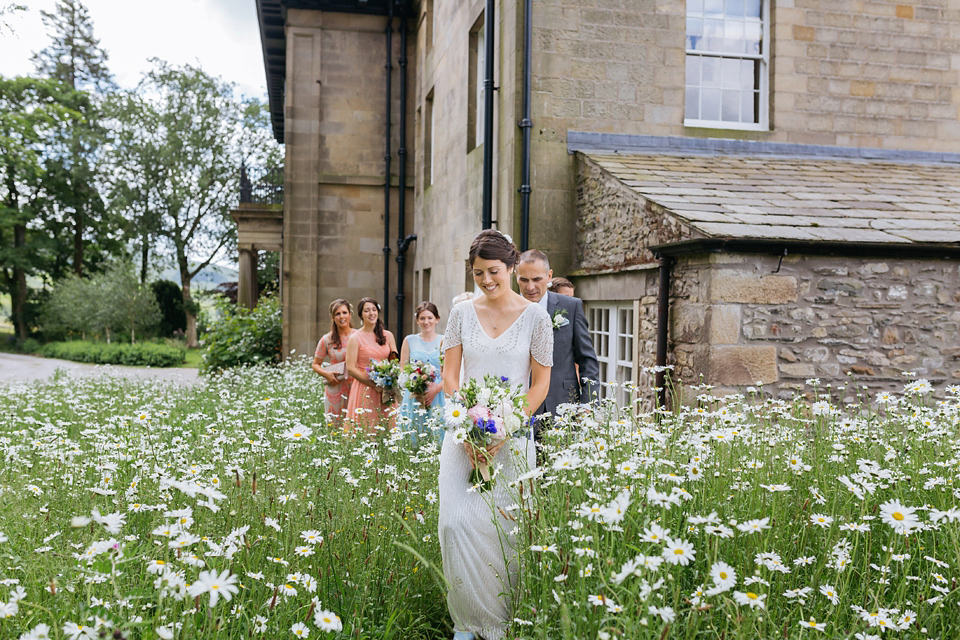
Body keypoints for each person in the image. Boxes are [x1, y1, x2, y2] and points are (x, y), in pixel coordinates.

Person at [440, 230, 553, 640]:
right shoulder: (461, 314)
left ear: (510, 267)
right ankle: (467, 624)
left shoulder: (536, 318)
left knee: (503, 532)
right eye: (478, 273)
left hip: (512, 439)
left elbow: (539, 385)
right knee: (455, 525)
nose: (486, 280)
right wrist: (466, 427)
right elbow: (451, 375)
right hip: (462, 437)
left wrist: (508, 427)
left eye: (493, 271)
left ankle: (502, 624)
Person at [516, 250, 599, 418]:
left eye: (537, 279)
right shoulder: (506, 309)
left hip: (562, 406)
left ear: (549, 276)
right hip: (517, 407)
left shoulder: (571, 306)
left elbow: (587, 360)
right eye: (524, 280)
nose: (530, 287)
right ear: (515, 276)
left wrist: (587, 404)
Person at [345, 297, 398, 432]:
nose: (371, 313)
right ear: (361, 315)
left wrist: (391, 380)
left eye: (374, 310)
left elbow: (395, 361)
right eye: (367, 311)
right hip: (365, 388)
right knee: (366, 427)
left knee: (387, 428)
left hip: (386, 389)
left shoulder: (388, 335)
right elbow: (350, 368)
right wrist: (373, 384)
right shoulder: (355, 338)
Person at [398, 301, 445, 446]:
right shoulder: (409, 340)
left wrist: (434, 390)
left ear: (437, 319)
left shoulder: (443, 340)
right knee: (414, 433)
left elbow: (447, 372)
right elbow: (403, 370)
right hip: (414, 394)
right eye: (422, 318)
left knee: (436, 436)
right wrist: (415, 387)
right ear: (417, 320)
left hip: (437, 394)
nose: (426, 322)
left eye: (430, 318)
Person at [312, 299, 357, 427]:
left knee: (355, 426)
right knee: (335, 427)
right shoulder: (327, 339)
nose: (342, 316)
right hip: (335, 386)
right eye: (338, 314)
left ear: (350, 314)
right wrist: (326, 374)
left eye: (344, 312)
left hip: (355, 386)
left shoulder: (358, 335)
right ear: (333, 317)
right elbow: (315, 364)